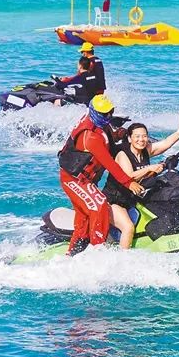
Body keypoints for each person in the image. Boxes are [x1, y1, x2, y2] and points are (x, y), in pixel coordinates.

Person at [58, 95, 145, 255]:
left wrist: (118, 134)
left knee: (84, 218)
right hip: (74, 180)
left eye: (110, 112)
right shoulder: (90, 137)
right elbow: (110, 164)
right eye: (104, 114)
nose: (108, 117)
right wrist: (129, 183)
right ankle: (97, 250)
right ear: (95, 113)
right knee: (99, 205)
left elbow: (107, 135)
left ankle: (74, 252)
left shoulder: (95, 124)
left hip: (86, 180)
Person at [102, 114, 179, 249]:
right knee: (128, 228)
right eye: (137, 136)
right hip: (113, 201)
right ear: (130, 138)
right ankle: (121, 261)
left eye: (144, 136)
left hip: (131, 200)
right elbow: (129, 177)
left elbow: (165, 143)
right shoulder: (123, 154)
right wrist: (150, 168)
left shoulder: (145, 151)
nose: (141, 140)